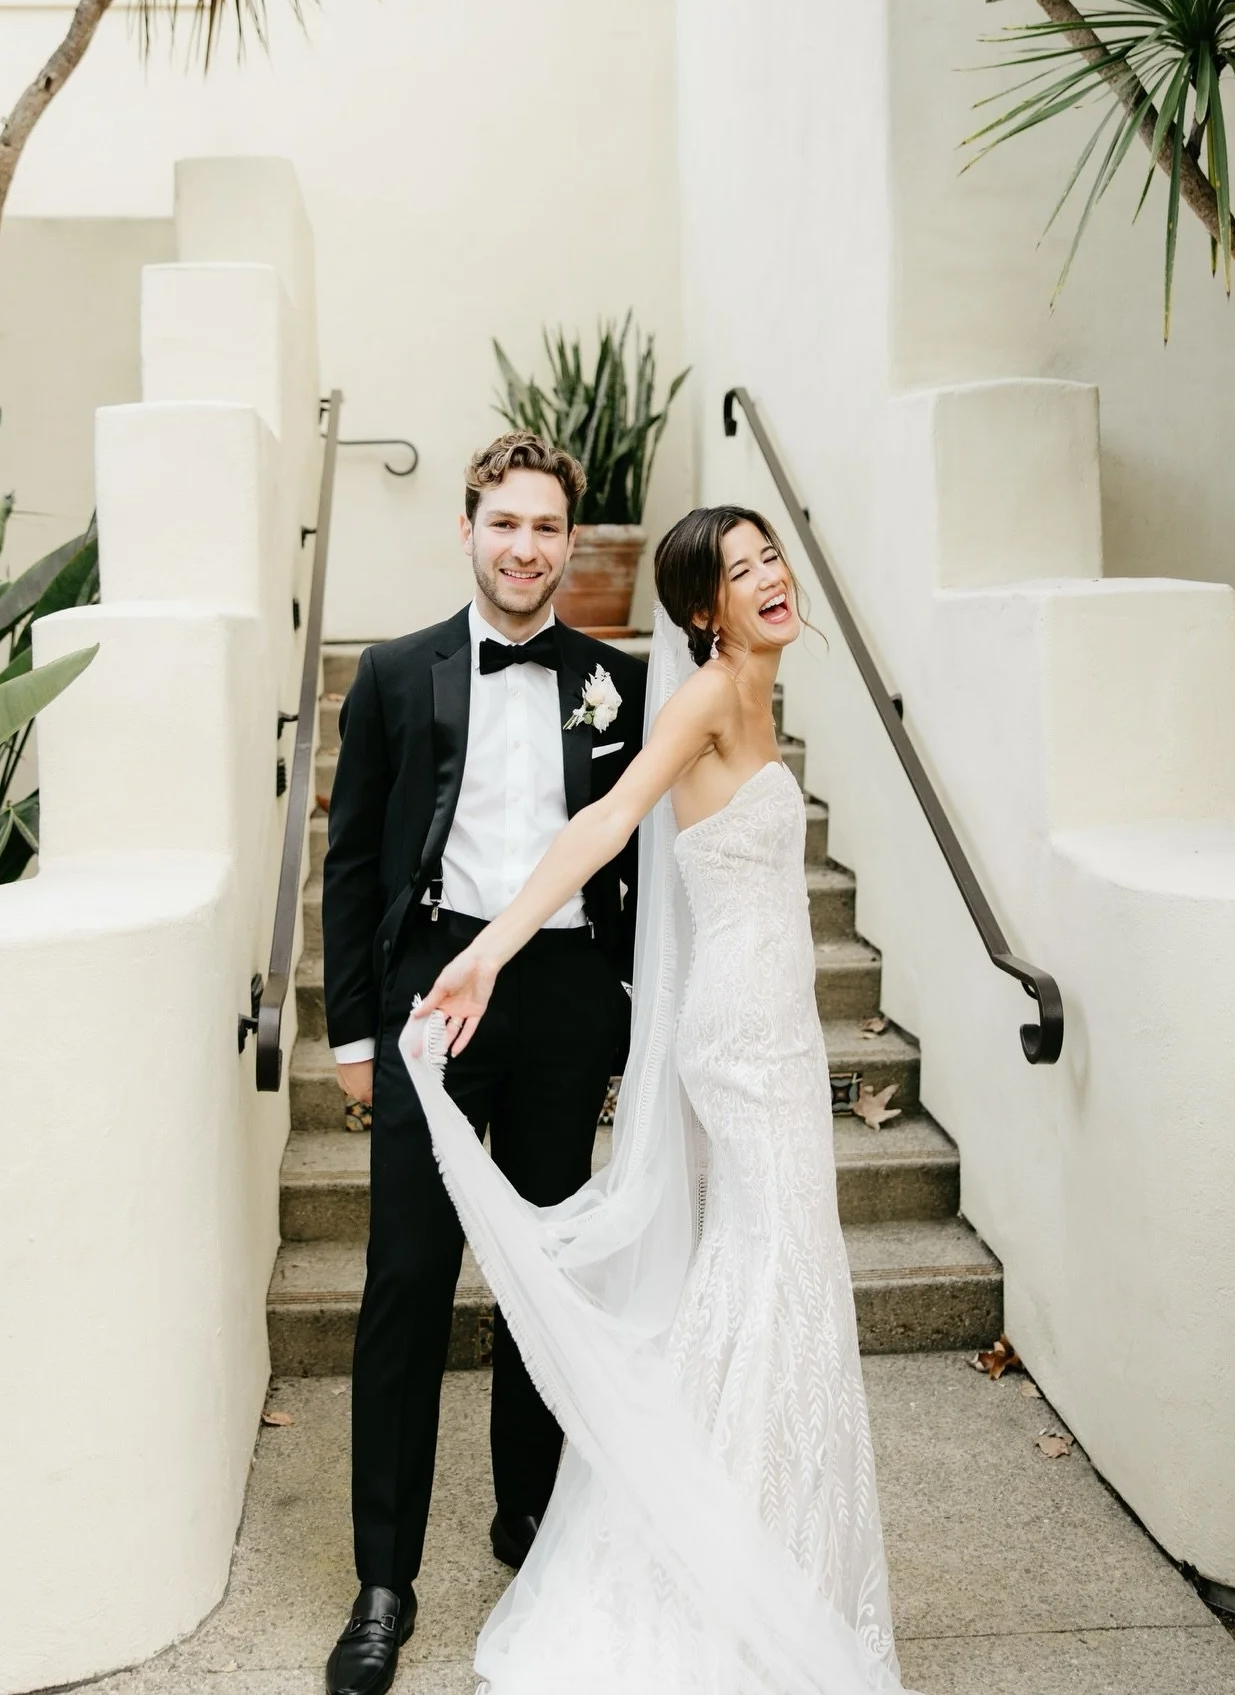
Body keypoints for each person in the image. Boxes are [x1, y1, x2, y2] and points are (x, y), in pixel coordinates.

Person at [402, 505, 910, 1693]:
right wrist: (491, 950)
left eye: (771, 556)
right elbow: (604, 820)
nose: (771, 579)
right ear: (702, 612)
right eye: (740, 572)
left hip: (774, 1027)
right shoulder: (711, 695)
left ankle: (777, 1558)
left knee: (773, 1277)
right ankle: (734, 1579)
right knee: (774, 1276)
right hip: (740, 1042)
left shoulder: (758, 695)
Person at [320, 432, 647, 1695]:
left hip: (563, 1001)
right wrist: (357, 1034)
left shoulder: (610, 682)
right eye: (505, 523)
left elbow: (632, 868)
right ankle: (384, 1580)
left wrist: (622, 1009)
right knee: (407, 1277)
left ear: (572, 543)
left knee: (544, 1275)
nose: (525, 548)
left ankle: (532, 1526)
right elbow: (352, 868)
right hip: (433, 1000)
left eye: (547, 528)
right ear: (468, 529)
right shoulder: (397, 675)